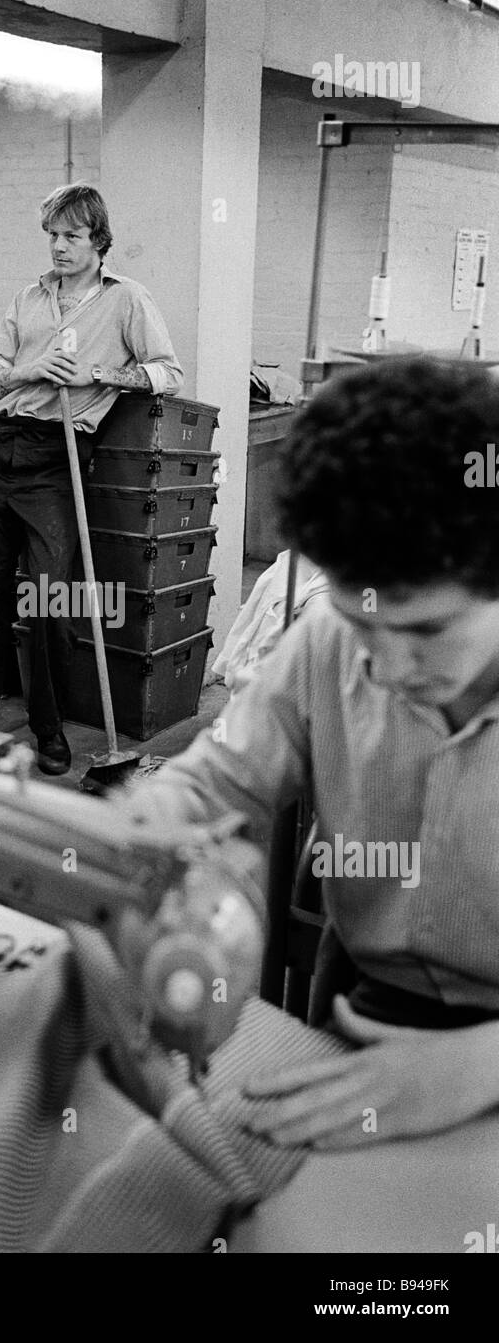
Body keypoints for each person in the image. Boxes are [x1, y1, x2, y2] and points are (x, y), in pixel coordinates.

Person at [124, 356, 499, 1149]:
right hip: (362, 1014)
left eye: (428, 630)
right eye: (367, 624)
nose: (389, 670)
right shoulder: (326, 640)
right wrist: (150, 822)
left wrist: (473, 1068)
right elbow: (218, 778)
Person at [0, 182, 184, 775]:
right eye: (52, 235)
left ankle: (48, 730)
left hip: (58, 455)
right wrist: (26, 370)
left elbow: (168, 373)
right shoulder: (27, 297)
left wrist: (103, 373)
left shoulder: (127, 300)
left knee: (50, 599)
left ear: (98, 242)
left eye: (71, 236)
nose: (57, 247)